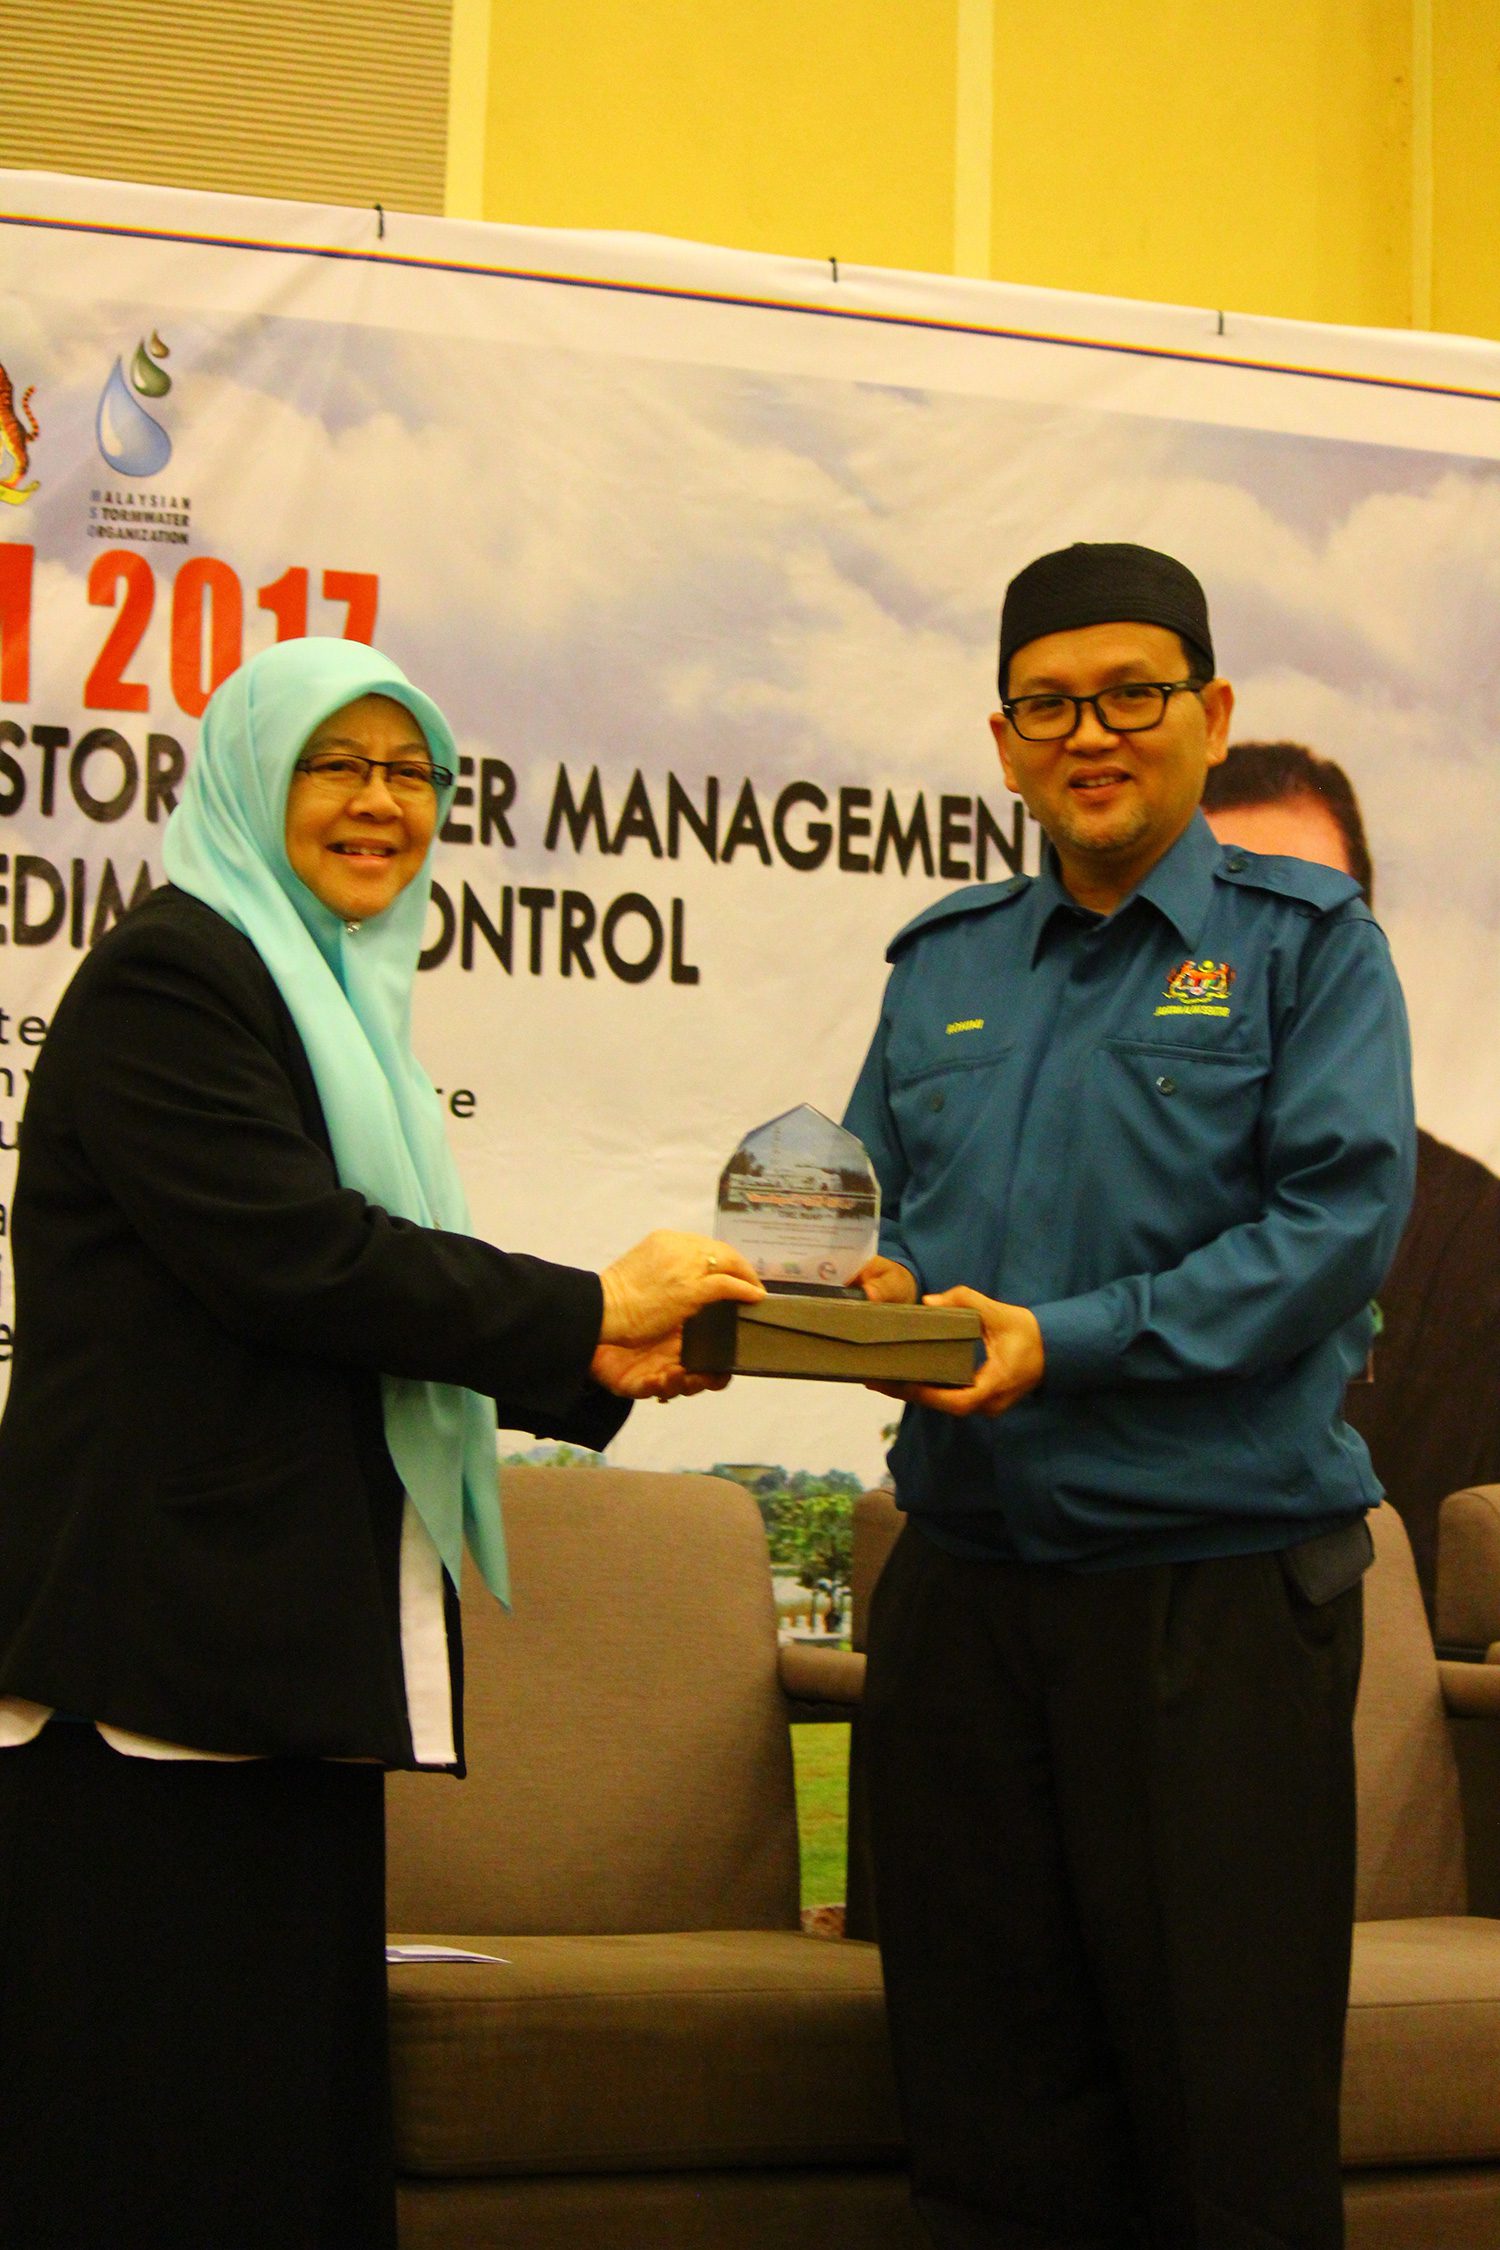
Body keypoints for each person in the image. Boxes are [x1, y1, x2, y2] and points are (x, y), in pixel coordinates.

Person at [0, 635, 762, 2250]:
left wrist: (597, 1353)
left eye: (411, 771)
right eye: (334, 765)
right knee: (156, 2135)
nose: (380, 802)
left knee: (279, 2122)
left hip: (267, 1655)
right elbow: (299, 1259)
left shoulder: (328, 998)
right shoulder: (174, 975)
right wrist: (588, 1311)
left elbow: (346, 1298)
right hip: (157, 1662)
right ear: (248, 780)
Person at [842, 543, 1415, 2249]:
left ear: (1209, 715)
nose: (1089, 734)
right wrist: (855, 1292)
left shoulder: (1310, 949)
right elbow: (872, 1215)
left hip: (1210, 1605)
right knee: (983, 2122)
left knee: (1226, 2131)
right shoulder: (941, 963)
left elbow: (1330, 1230)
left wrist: (1065, 1340)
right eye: (1047, 705)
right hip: (965, 1599)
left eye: (1130, 695)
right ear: (1004, 743)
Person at [1202, 739, 1500, 1614]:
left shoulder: (1472, 1236)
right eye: (1220, 912)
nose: (1263, 953)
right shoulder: (1072, 1200)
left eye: (1304, 913)